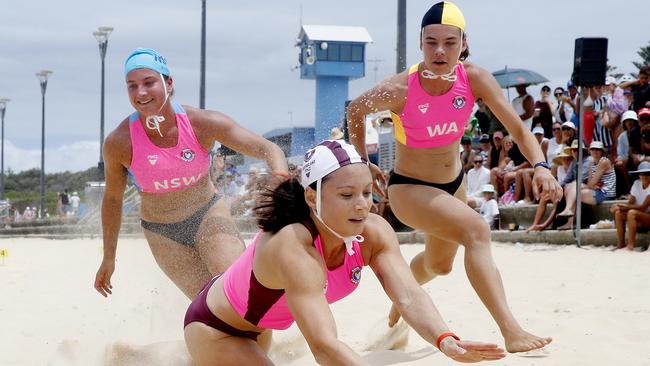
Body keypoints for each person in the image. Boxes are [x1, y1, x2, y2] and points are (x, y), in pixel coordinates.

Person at [346, 1, 558, 353]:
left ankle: (403, 296)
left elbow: (520, 132)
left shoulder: (473, 78)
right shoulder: (399, 89)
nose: (440, 50)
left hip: (453, 184)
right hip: (409, 189)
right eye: (431, 42)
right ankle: (512, 330)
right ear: (420, 42)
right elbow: (356, 109)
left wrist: (542, 166)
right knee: (477, 229)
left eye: (449, 41)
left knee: (439, 265)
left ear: (463, 42)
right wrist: (360, 160)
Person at [184, 140, 506, 365]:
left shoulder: (374, 233)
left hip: (258, 328)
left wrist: (445, 339)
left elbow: (408, 295)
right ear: (312, 198)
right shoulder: (294, 245)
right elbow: (324, 347)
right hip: (217, 329)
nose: (362, 204)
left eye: (367, 192)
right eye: (347, 194)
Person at [94, 48, 288, 299]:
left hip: (208, 214)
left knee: (238, 292)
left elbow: (269, 149)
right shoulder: (119, 142)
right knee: (210, 304)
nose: (140, 92)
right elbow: (112, 199)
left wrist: (280, 178)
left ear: (169, 82)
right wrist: (109, 258)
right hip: (161, 231)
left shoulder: (202, 123)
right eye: (132, 86)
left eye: (149, 82)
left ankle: (262, 336)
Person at [557, 141, 616, 228]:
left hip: (606, 193)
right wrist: (590, 185)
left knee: (575, 189)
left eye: (598, 149)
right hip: (597, 190)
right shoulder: (592, 163)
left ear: (602, 152)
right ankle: (569, 220)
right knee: (570, 187)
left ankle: (568, 212)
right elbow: (590, 183)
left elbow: (592, 183)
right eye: (593, 149)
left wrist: (591, 184)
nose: (595, 151)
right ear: (590, 151)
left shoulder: (604, 162)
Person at [611, 161, 650, 250]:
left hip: (647, 217)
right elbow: (630, 203)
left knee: (632, 212)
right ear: (639, 175)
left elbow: (643, 207)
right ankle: (621, 244)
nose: (645, 176)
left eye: (647, 173)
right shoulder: (636, 184)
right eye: (642, 174)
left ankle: (630, 245)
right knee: (618, 213)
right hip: (640, 216)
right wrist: (619, 207)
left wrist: (623, 206)